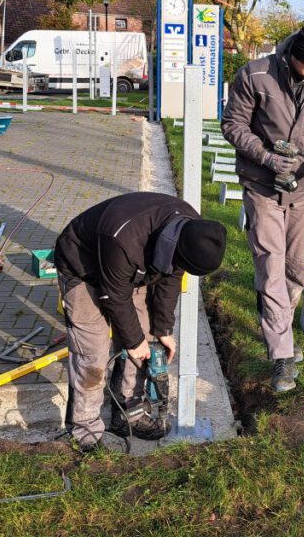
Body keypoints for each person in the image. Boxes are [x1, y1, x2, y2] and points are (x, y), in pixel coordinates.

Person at [221, 23, 304, 393]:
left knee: (297, 269)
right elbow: (232, 124)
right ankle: (282, 355)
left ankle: (276, 318)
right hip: (262, 186)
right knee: (270, 264)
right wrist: (265, 157)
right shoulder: (256, 75)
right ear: (292, 54)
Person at [53, 192, 227, 452]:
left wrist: (163, 328)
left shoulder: (192, 230)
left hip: (131, 270)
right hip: (83, 266)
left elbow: (171, 279)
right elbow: (113, 295)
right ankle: (85, 430)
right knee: (93, 353)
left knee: (145, 339)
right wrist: (134, 341)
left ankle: (127, 414)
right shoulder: (124, 238)